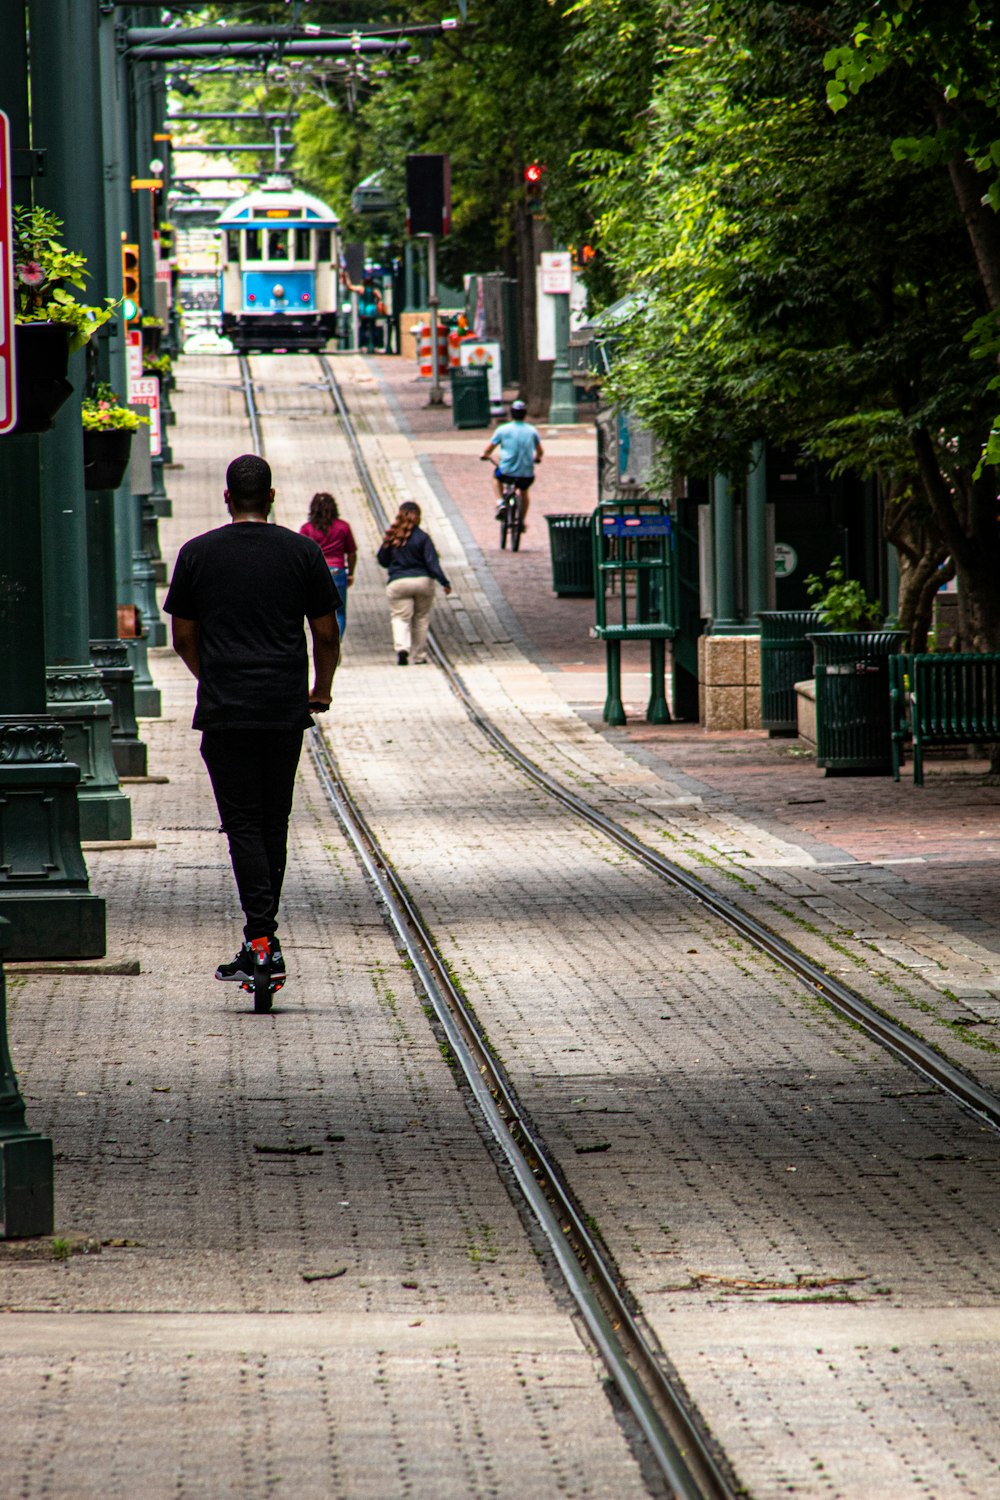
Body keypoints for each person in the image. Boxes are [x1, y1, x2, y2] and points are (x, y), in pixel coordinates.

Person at [163, 453, 341, 990]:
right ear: (271, 498)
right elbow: (327, 634)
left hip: (226, 711)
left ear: (226, 498)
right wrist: (320, 691)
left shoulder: (196, 554)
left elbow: (183, 638)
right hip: (283, 710)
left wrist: (211, 677)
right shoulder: (303, 551)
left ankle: (259, 940)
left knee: (241, 825)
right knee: (273, 823)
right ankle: (263, 937)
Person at [376, 501, 451, 665]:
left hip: (398, 583)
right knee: (421, 618)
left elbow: (382, 559)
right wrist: (444, 582)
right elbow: (433, 563)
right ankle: (419, 656)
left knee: (400, 617)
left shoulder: (393, 536)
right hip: (423, 582)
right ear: (419, 518)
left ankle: (402, 649)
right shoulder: (423, 538)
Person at [299, 491, 357, 638]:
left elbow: (301, 553)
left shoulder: (307, 529)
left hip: (316, 574)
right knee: (340, 613)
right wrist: (350, 573)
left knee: (318, 612)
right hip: (338, 572)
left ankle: (324, 642)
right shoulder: (343, 527)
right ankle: (336, 644)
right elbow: (351, 552)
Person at [480, 398, 543, 529]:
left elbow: (488, 450)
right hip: (526, 473)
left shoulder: (502, 430)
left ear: (511, 414)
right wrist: (537, 458)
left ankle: (500, 502)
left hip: (506, 471)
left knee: (496, 478)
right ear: (525, 414)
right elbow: (540, 451)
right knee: (524, 492)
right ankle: (521, 521)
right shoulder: (532, 431)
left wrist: (485, 455)